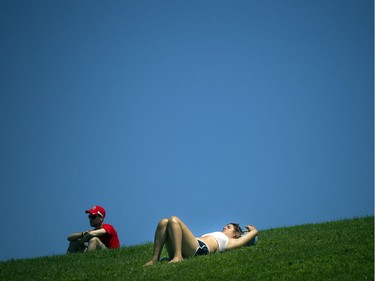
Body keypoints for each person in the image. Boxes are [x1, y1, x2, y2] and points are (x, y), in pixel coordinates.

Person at [144, 216, 258, 265]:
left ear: (236, 234)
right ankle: (154, 259)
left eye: (228, 227)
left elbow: (244, 240)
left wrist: (253, 231)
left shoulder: (231, 241)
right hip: (191, 246)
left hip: (199, 249)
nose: (224, 227)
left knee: (174, 220)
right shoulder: (219, 235)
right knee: (163, 222)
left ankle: (178, 257)